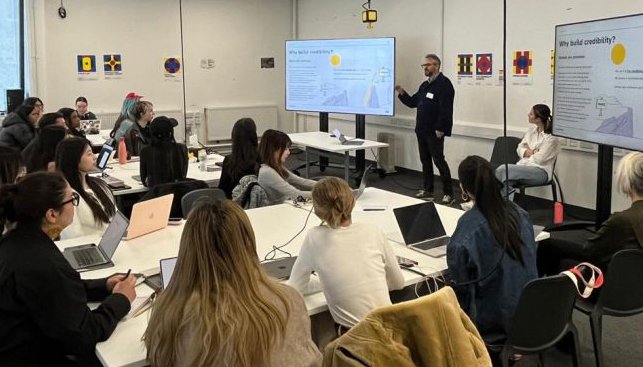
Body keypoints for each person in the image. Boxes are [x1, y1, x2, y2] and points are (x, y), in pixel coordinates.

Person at [143, 200, 321, 367]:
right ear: (248, 244)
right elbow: (309, 361)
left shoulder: (169, 313)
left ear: (188, 250)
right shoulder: (287, 301)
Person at [0, 171, 136, 366]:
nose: (74, 204)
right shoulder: (42, 262)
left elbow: (55, 292)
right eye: (71, 199)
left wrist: (104, 286)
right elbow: (85, 334)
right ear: (52, 214)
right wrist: (120, 300)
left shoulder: (16, 242)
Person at [287, 177, 405, 330]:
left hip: (354, 342)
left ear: (317, 209)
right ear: (352, 201)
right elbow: (398, 283)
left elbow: (295, 289)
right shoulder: (373, 231)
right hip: (391, 333)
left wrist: (327, 283)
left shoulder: (314, 237)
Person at [447, 155, 537, 345]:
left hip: (493, 329)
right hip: (530, 317)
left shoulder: (468, 228)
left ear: (464, 189)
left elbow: (459, 286)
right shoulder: (520, 214)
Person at [538, 151, 643, 275]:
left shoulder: (622, 221)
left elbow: (591, 251)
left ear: (628, 183)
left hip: (616, 283)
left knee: (548, 244)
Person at [396, 53, 455, 204]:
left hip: (435, 131)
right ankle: (428, 190)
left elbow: (446, 109)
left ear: (436, 65)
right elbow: (413, 102)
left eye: (427, 65)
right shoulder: (424, 85)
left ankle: (449, 193)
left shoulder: (444, 84)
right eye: (423, 66)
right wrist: (402, 93)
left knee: (439, 161)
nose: (424, 68)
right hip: (421, 130)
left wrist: (441, 128)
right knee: (425, 160)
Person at [495, 104, 561, 200]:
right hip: (524, 167)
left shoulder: (552, 138)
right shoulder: (531, 131)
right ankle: (506, 210)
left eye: (531, 114)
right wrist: (534, 151)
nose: (528, 115)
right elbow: (519, 149)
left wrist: (528, 152)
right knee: (505, 181)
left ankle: (484, 204)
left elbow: (540, 159)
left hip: (541, 172)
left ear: (538, 119)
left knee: (503, 169)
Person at [55, 137, 117, 240]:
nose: (95, 157)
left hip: (112, 242)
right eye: (89, 154)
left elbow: (115, 218)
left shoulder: (99, 185)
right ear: (74, 159)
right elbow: (72, 237)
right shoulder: (67, 196)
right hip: (90, 247)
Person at [258, 129, 316, 204]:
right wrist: (325, 193)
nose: (288, 152)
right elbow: (295, 194)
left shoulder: (276, 166)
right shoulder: (267, 171)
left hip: (285, 204)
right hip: (277, 210)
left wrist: (325, 185)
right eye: (285, 149)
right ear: (274, 150)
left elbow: (300, 181)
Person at [139, 116, 188, 187]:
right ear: (171, 132)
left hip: (157, 196)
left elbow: (145, 181)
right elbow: (183, 174)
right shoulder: (182, 149)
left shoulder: (146, 151)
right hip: (179, 194)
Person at [219, 117, 259, 198]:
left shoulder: (229, 161)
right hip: (258, 203)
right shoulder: (261, 158)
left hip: (234, 206)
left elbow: (222, 190)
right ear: (254, 136)